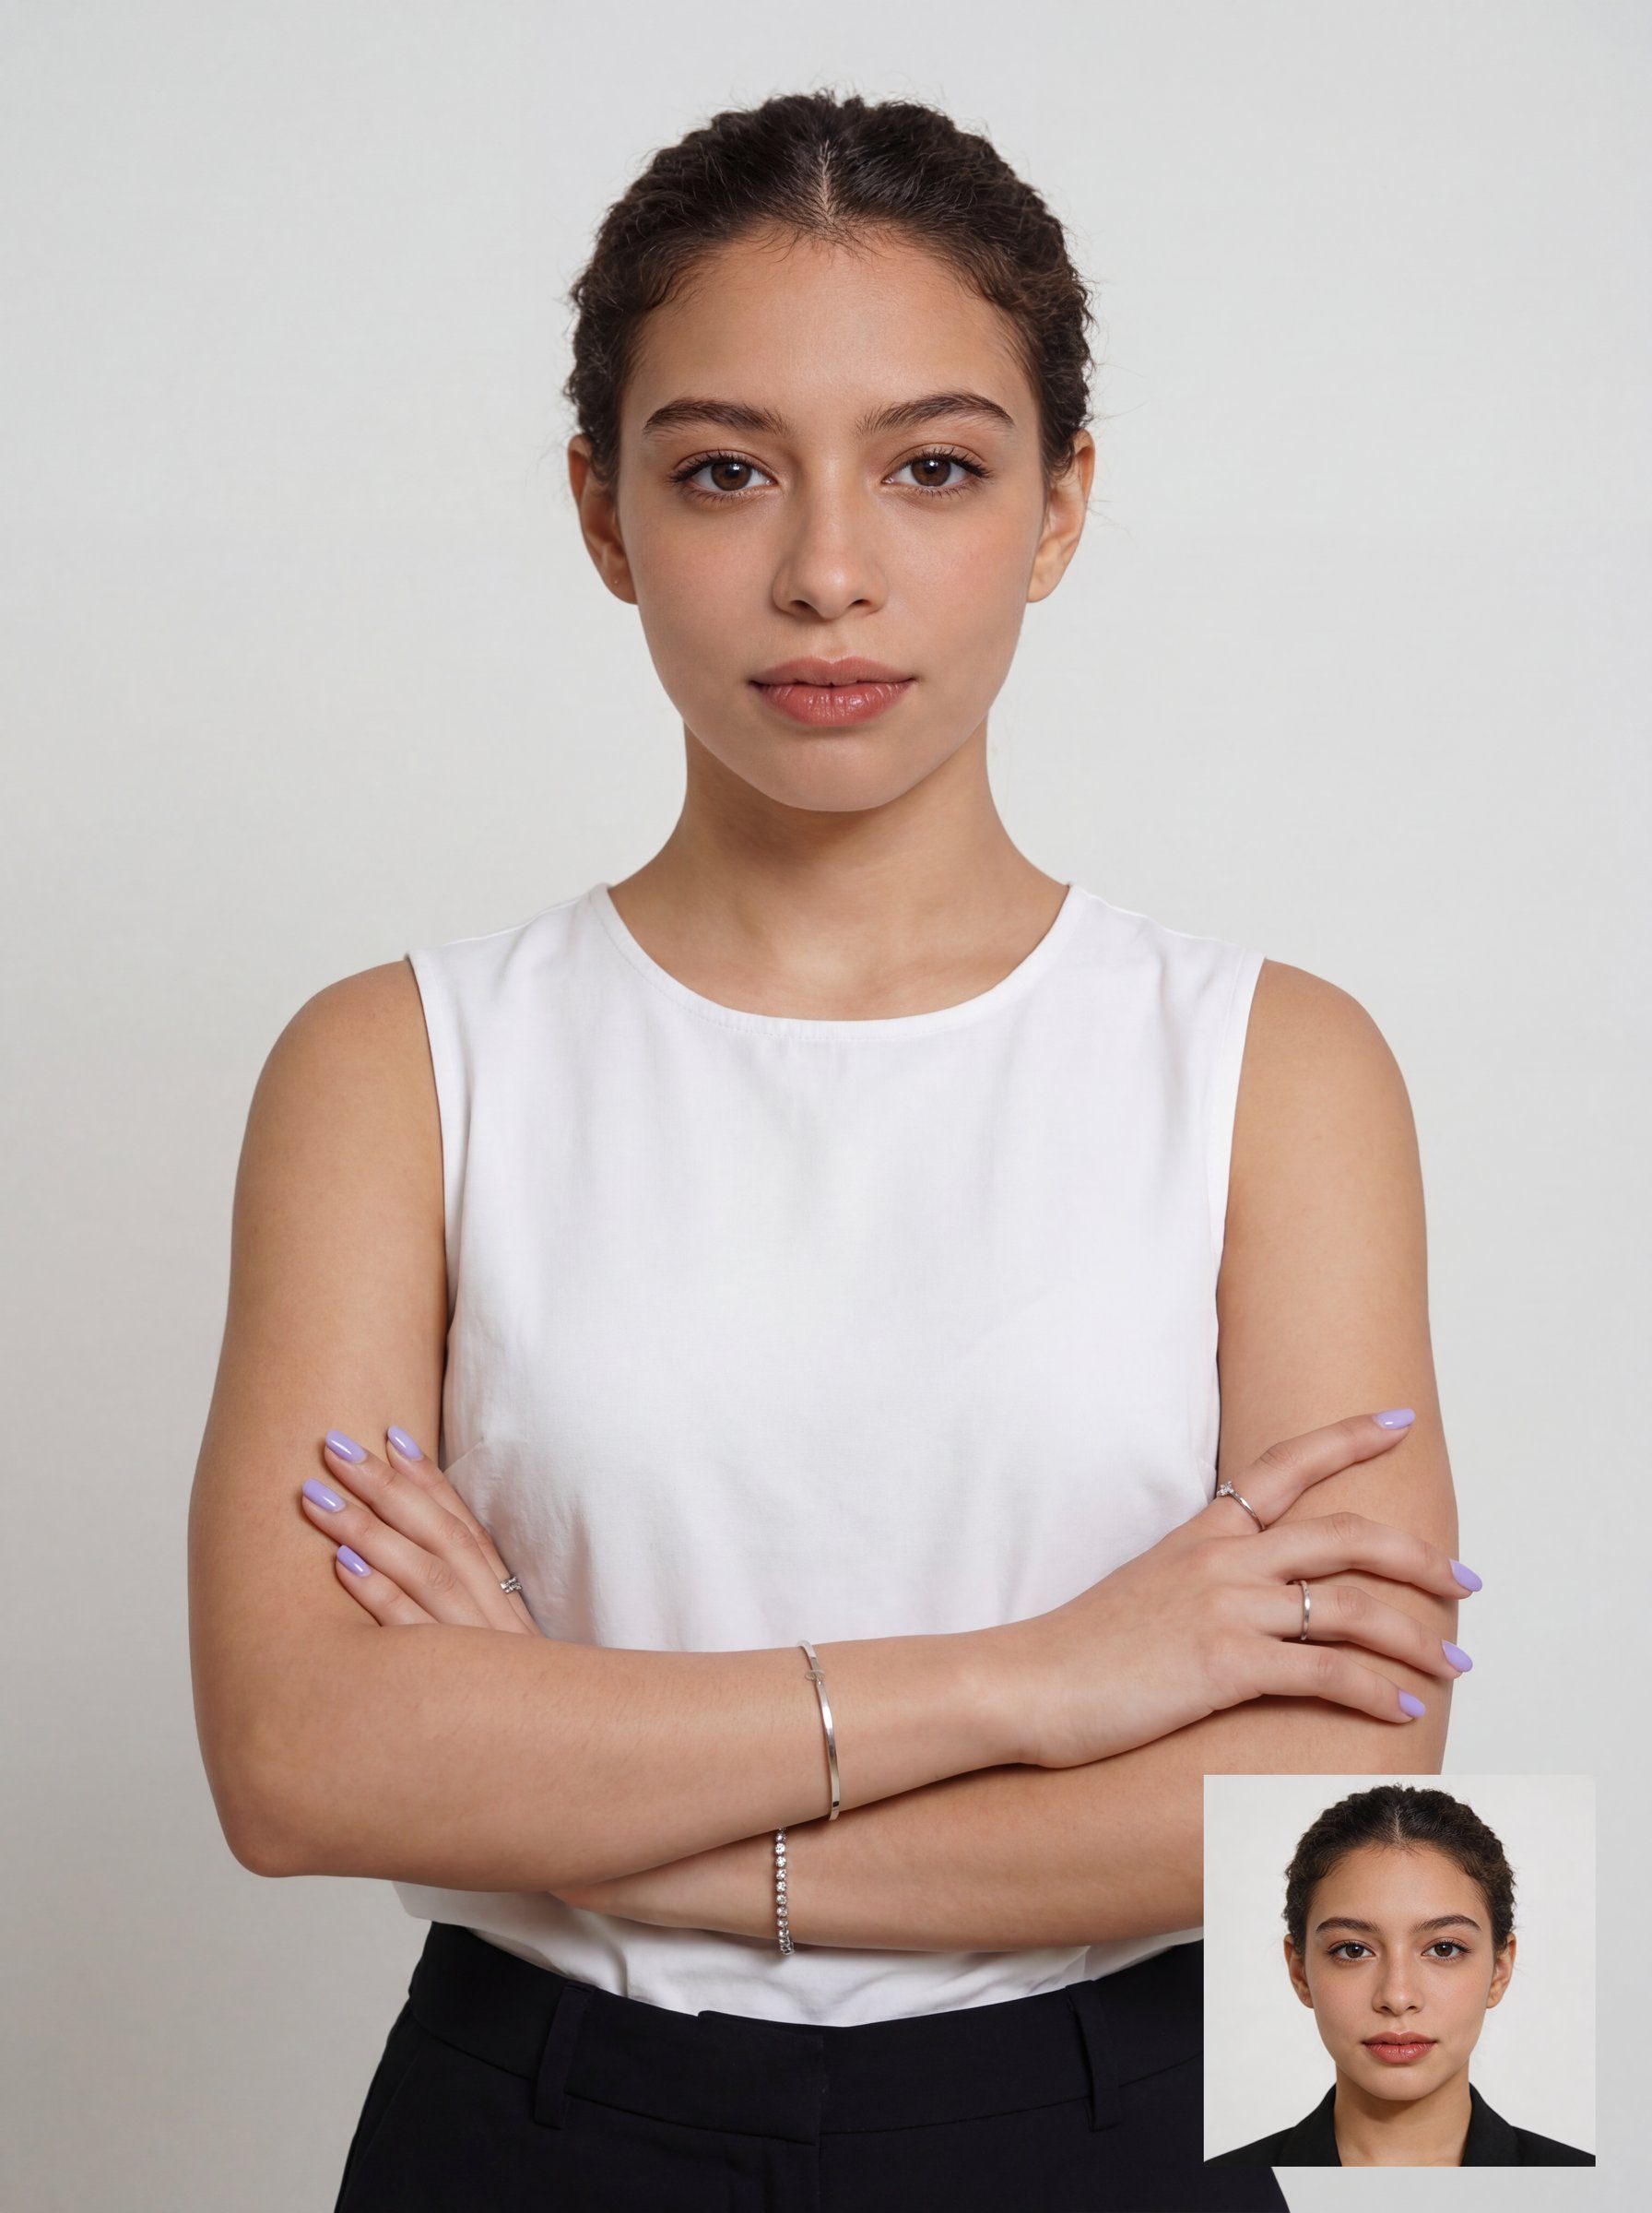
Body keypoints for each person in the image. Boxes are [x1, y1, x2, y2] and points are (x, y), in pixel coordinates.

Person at [188, 88, 1475, 2211]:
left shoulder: (1272, 1062)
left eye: (936, 466)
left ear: (1061, 507)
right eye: (722, 472)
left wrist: (563, 1761)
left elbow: (1337, 1777)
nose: (828, 572)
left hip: (1125, 2118)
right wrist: (1041, 1677)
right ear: (605, 514)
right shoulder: (399, 1063)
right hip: (541, 2124)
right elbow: (301, 1760)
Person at [1209, 1783, 1594, 2168]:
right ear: (1300, 1972)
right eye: (1353, 1950)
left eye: (1444, 1949)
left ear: (1499, 1970)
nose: (1396, 1996)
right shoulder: (1209, 2196)